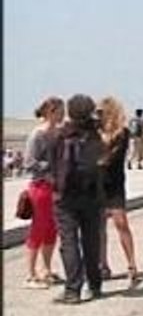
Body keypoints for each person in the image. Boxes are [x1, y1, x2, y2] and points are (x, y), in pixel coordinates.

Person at [52, 94, 105, 303]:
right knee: (92, 241)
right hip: (93, 195)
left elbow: (52, 165)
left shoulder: (62, 135)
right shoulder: (95, 134)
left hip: (66, 196)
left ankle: (73, 289)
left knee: (69, 242)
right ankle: (95, 283)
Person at [97, 97, 143, 288]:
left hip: (114, 183)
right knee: (99, 227)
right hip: (97, 185)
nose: (98, 116)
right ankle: (102, 265)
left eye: (101, 112)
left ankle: (132, 265)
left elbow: (111, 158)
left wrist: (98, 159)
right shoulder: (94, 132)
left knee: (121, 223)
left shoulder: (121, 133)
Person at [23, 96, 65, 289]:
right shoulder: (37, 135)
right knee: (38, 229)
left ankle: (45, 269)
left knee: (51, 229)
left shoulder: (58, 133)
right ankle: (30, 275)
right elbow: (29, 162)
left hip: (56, 187)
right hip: (40, 186)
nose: (63, 115)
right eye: (60, 111)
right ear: (50, 111)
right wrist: (49, 169)